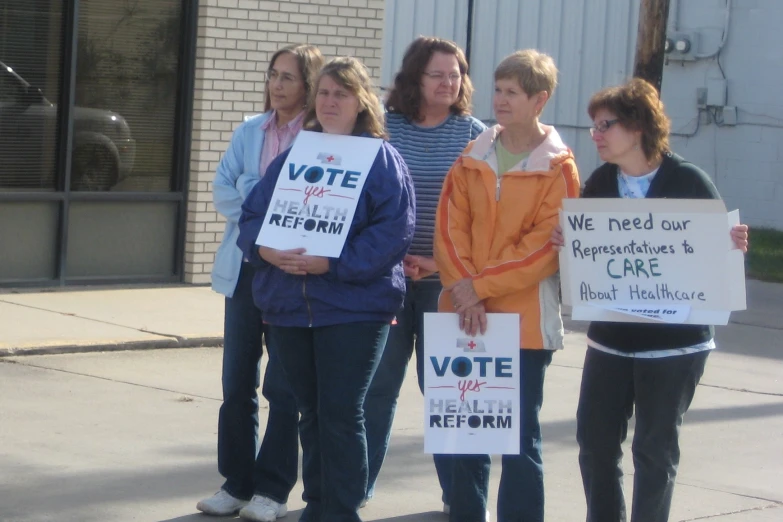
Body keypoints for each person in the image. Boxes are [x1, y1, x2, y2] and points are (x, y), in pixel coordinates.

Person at [550, 77, 749, 522]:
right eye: (594, 126)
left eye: (606, 126)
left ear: (638, 127)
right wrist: (568, 241)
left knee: (654, 450)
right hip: (611, 340)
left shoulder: (687, 180)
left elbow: (718, 254)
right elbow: (590, 258)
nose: (596, 136)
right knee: (596, 443)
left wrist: (733, 242)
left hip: (675, 346)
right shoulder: (601, 182)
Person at [237, 56, 415, 522]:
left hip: (355, 310)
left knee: (341, 414)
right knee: (310, 414)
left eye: (342, 93)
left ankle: (340, 512)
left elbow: (392, 235)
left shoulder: (381, 159)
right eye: (324, 93)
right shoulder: (295, 156)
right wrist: (265, 250)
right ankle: (318, 508)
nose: (331, 101)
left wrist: (329, 265)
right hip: (290, 309)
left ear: (362, 102)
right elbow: (253, 216)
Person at [433, 50, 581, 522]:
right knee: (464, 437)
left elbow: (544, 249)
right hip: (462, 316)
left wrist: (478, 288)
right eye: (497, 89)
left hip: (524, 326)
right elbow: (448, 229)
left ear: (540, 99)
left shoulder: (559, 168)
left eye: (512, 92)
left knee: (519, 440)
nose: (499, 100)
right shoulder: (471, 156)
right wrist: (464, 291)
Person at [197, 44, 324, 521]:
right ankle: (236, 483)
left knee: (284, 388)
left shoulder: (316, 139)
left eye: (288, 77)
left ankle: (272, 490)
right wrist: (263, 198)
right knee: (237, 383)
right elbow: (224, 191)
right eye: (273, 75)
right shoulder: (249, 130)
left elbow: (304, 206)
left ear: (307, 85)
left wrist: (257, 193)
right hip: (247, 266)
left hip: (292, 272)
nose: (277, 85)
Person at [363, 36, 486, 509]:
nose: (449, 83)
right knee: (376, 392)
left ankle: (462, 500)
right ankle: (355, 492)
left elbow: (482, 219)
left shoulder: (475, 135)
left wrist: (441, 263)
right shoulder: (383, 129)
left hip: (449, 286)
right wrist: (390, 256)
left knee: (449, 396)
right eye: (438, 74)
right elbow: (367, 203)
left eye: (456, 74)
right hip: (386, 281)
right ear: (415, 78)